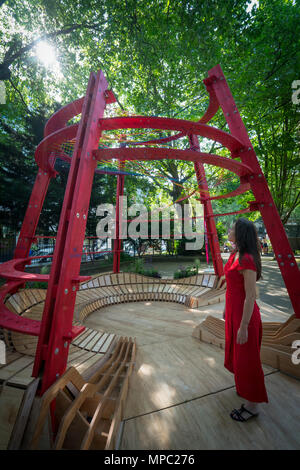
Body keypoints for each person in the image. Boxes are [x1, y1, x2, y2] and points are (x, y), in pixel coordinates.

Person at [222, 217, 268, 421]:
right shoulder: (235, 255)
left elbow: (251, 295)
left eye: (232, 229)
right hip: (234, 312)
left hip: (245, 317)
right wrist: (226, 308)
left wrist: (244, 326)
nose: (229, 231)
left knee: (248, 361)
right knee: (238, 356)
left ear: (239, 233)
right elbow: (232, 287)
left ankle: (253, 406)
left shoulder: (246, 259)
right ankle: (244, 388)